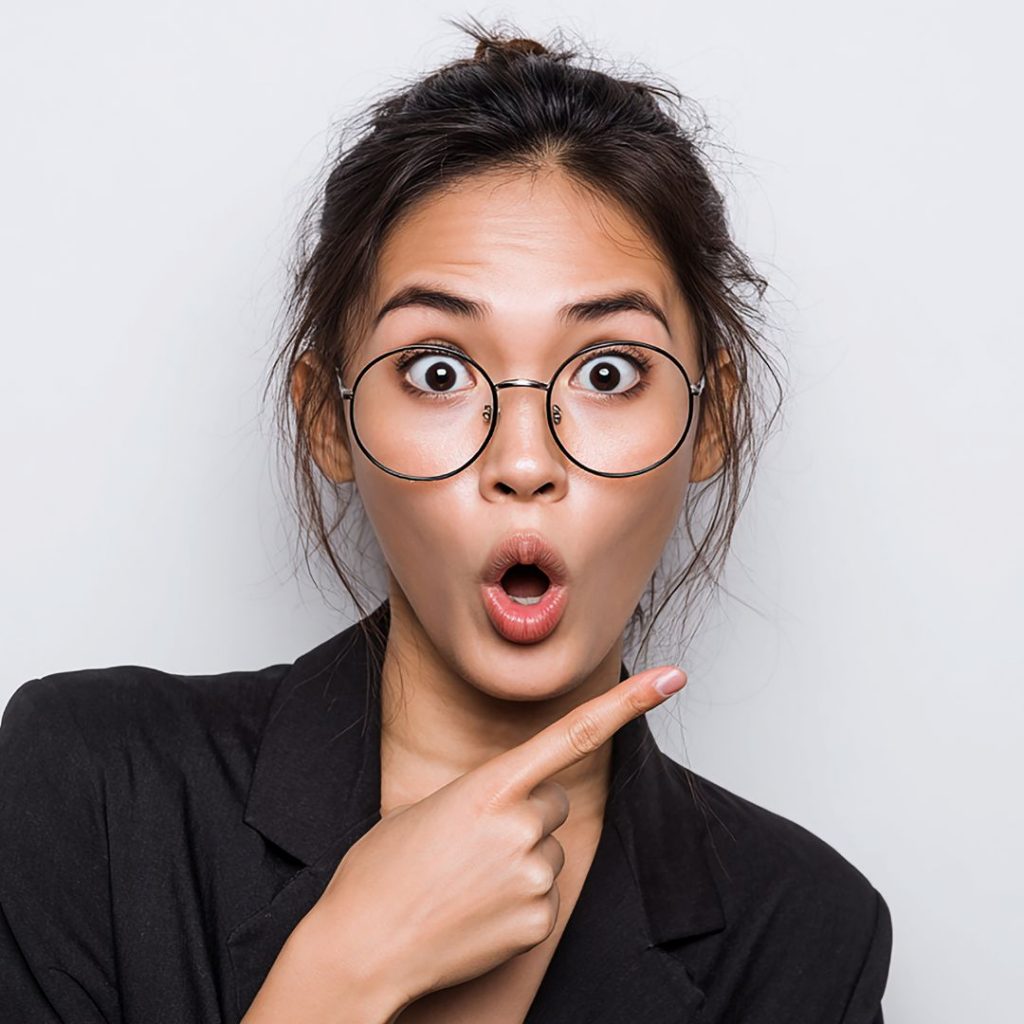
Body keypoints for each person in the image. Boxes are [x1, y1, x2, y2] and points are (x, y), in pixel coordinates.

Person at [0, 17, 892, 1024]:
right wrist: (348, 965)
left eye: (608, 372)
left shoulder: (808, 933)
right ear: (328, 420)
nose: (524, 463)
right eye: (437, 371)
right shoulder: (93, 782)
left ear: (710, 418)